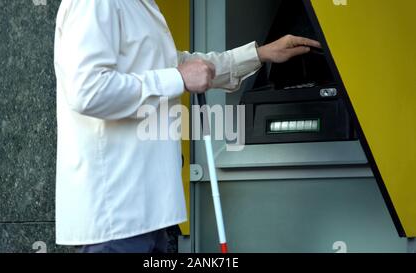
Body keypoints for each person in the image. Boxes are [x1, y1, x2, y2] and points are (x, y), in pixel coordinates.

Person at [54, 0, 321, 253]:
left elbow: (179, 65)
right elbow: (87, 91)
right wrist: (177, 78)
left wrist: (259, 54)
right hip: (117, 218)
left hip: (147, 214)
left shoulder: (137, 4)